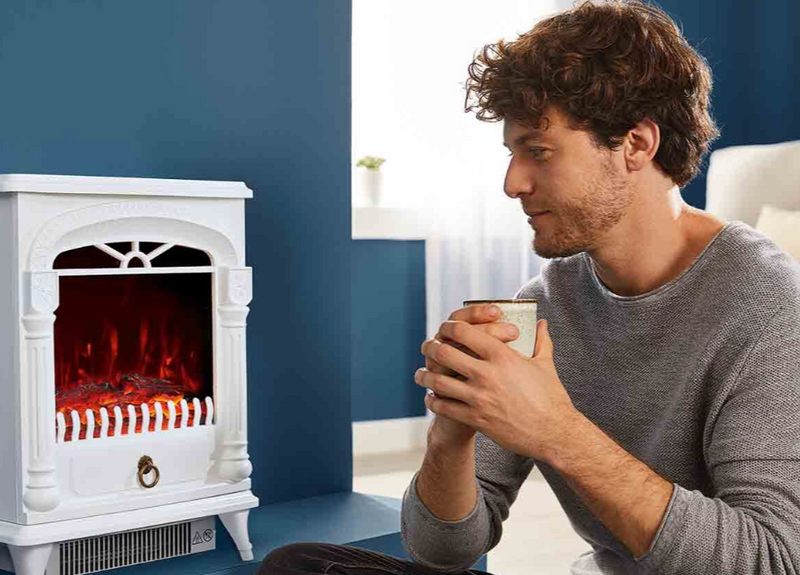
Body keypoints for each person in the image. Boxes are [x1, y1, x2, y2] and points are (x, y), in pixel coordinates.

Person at [257, 1, 800, 574]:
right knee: (300, 565)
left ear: (636, 145)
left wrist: (557, 431)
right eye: (512, 154)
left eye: (538, 152)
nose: (513, 183)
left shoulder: (764, 304)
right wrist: (452, 432)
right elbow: (446, 551)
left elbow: (772, 560)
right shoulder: (548, 303)